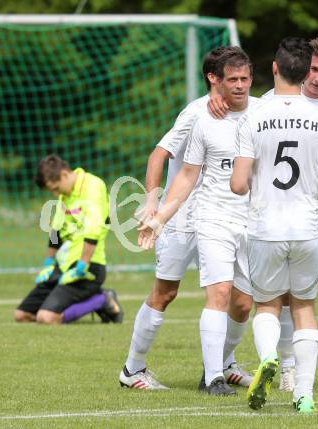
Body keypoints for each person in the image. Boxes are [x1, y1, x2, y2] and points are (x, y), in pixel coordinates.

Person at [208, 37, 318, 394]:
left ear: (274, 69)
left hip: (273, 224)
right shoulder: (317, 119)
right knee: (303, 305)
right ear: (303, 71)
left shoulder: (257, 116)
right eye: (313, 69)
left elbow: (238, 184)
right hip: (307, 224)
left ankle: (289, 364)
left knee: (273, 302)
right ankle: (300, 387)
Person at [118, 47, 253, 391]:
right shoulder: (196, 113)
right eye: (231, 78)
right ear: (214, 79)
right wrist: (152, 202)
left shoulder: (252, 111)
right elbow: (158, 154)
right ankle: (132, 369)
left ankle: (223, 363)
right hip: (181, 216)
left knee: (240, 298)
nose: (239, 85)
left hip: (223, 216)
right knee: (166, 292)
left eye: (244, 78)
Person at [14, 155, 123, 325]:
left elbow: (93, 229)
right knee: (21, 315)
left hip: (88, 267)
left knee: (46, 318)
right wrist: (49, 263)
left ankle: (102, 299)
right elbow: (56, 230)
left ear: (64, 174)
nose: (55, 193)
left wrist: (83, 264)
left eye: (55, 188)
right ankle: (70, 303)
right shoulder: (65, 194)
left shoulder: (93, 186)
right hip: (64, 265)